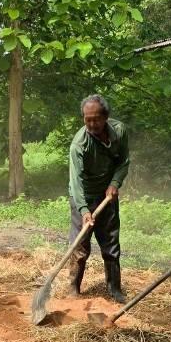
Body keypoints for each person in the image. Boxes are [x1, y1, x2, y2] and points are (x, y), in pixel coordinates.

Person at [68, 94, 130, 303]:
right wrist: (84, 211)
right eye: (87, 119)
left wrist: (115, 183)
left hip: (107, 195)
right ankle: (73, 289)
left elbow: (124, 162)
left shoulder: (119, 132)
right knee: (80, 245)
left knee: (111, 244)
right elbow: (75, 182)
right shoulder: (79, 144)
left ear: (106, 117)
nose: (91, 124)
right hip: (83, 196)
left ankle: (114, 289)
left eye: (96, 119)